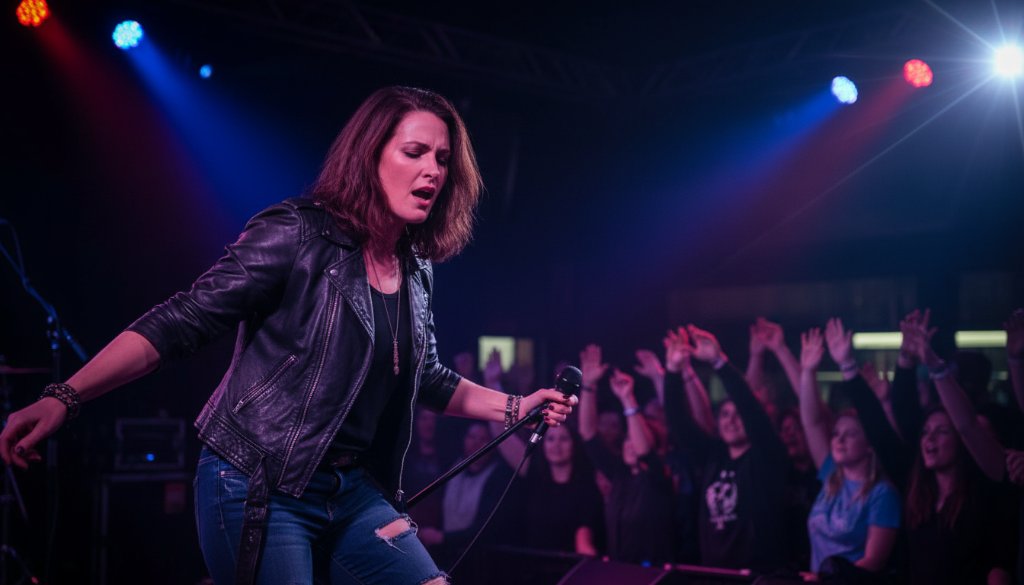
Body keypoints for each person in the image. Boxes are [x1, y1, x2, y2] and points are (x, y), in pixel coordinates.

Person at [0, 86, 576, 585]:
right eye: (415, 152)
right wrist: (65, 395)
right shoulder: (298, 234)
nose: (433, 170)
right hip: (257, 483)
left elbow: (423, 374)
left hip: (351, 492)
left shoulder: (416, 267)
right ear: (370, 156)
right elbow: (182, 319)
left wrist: (514, 406)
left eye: (443, 159)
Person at [661, 325, 790, 572]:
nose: (731, 420)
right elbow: (679, 423)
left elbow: (751, 409)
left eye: (737, 415)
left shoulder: (767, 456)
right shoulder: (714, 456)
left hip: (759, 577)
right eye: (725, 414)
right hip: (716, 575)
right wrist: (673, 371)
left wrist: (719, 362)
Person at [799, 325, 901, 577]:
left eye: (851, 433)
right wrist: (807, 371)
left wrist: (824, 580)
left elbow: (874, 561)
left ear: (869, 446)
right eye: (836, 433)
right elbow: (811, 422)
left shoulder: (882, 493)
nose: (839, 439)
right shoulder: (831, 474)